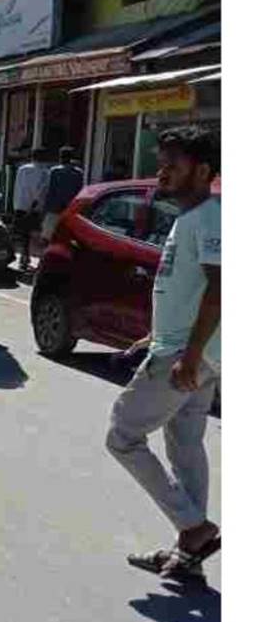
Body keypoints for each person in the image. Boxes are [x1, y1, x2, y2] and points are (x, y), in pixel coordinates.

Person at [106, 127, 220, 582]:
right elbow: (190, 290)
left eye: (173, 165)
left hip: (187, 356)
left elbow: (221, 287)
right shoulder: (192, 218)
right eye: (162, 164)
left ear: (203, 171)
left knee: (123, 434)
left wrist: (188, 355)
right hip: (190, 350)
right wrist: (155, 336)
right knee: (185, 446)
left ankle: (194, 529)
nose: (162, 173)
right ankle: (189, 552)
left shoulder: (210, 217)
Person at [11, 148, 52, 272]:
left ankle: (23, 257)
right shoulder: (45, 172)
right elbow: (42, 190)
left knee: (22, 234)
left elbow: (17, 187)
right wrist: (35, 204)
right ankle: (30, 257)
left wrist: (15, 205)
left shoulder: (22, 169)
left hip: (20, 205)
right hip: (35, 207)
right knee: (33, 234)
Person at [40, 145, 85, 242]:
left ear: (60, 157)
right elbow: (79, 191)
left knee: (48, 237)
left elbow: (49, 190)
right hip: (70, 208)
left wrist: (44, 208)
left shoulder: (55, 171)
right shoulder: (78, 173)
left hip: (54, 208)